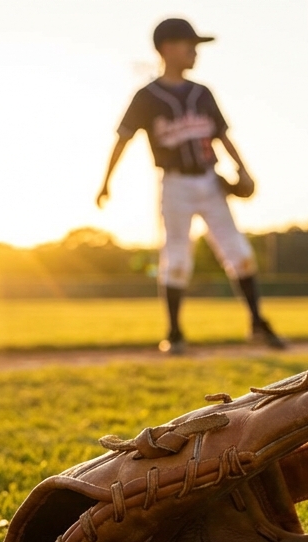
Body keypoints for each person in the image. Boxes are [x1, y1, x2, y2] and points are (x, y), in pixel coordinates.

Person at [96, 17, 284, 353]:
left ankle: (257, 323)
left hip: (211, 181)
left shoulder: (202, 93)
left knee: (239, 252)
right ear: (167, 48)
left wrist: (243, 170)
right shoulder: (146, 96)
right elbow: (122, 139)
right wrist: (106, 182)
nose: (195, 52)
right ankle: (174, 333)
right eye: (190, 45)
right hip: (174, 184)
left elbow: (223, 136)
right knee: (177, 256)